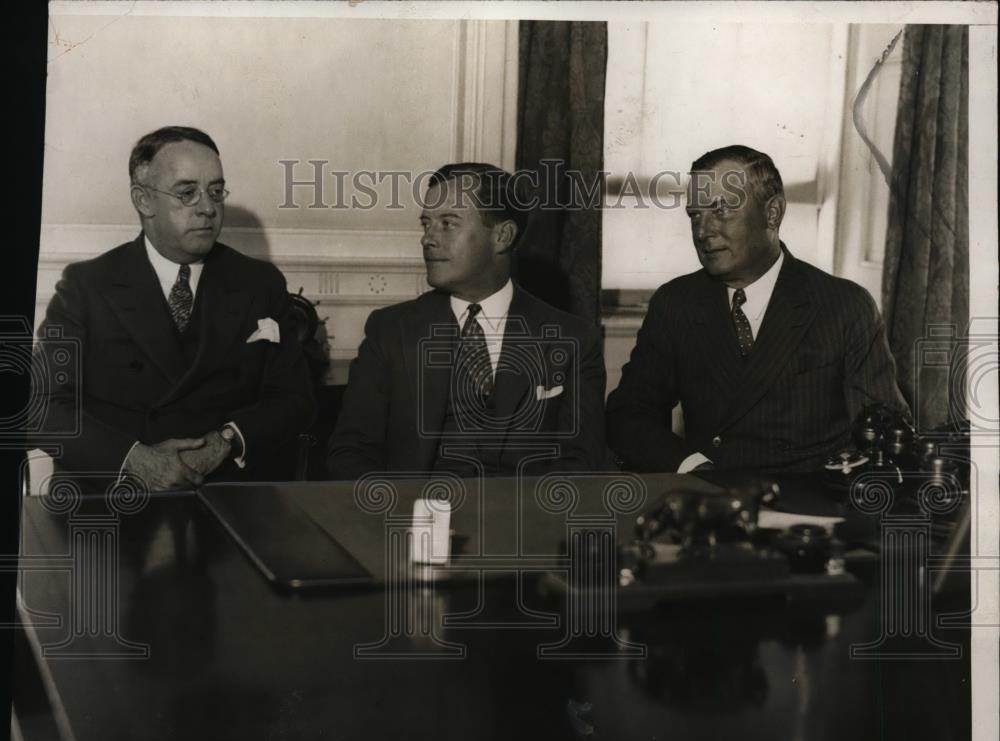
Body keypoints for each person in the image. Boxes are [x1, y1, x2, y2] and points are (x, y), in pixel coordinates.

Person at [33, 126, 315, 489]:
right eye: (187, 193)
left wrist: (225, 441)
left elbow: (296, 400)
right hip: (112, 500)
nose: (208, 208)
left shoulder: (260, 284)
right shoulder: (86, 285)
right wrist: (135, 460)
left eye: (216, 191)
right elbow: (41, 405)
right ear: (144, 200)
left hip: (223, 494)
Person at [606, 144, 908, 473]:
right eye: (695, 215)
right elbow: (629, 414)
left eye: (721, 210)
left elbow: (884, 433)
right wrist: (690, 466)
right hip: (712, 499)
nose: (703, 231)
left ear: (772, 213)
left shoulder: (844, 306)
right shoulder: (676, 303)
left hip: (809, 508)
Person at [327, 163, 607, 479]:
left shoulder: (573, 341)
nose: (428, 240)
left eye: (448, 224)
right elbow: (351, 452)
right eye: (426, 224)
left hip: (525, 520)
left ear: (502, 236)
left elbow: (581, 463)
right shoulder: (390, 331)